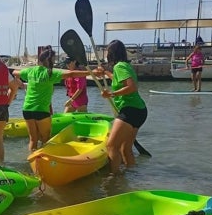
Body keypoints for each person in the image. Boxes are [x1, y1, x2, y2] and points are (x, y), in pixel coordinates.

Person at [12, 46, 91, 152]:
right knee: (45, 139)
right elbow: (71, 74)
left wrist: (20, 83)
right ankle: (44, 162)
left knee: (33, 139)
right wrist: (92, 73)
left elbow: (14, 72)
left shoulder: (30, 71)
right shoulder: (51, 73)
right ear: (50, 60)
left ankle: (31, 162)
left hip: (27, 109)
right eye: (53, 59)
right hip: (41, 110)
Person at [93, 40, 148, 175]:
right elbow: (117, 80)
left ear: (111, 53)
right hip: (140, 110)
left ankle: (114, 178)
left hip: (130, 110)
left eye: (108, 52)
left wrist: (111, 94)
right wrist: (105, 72)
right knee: (125, 149)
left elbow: (132, 87)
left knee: (111, 146)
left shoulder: (119, 67)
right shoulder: (124, 66)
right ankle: (132, 175)